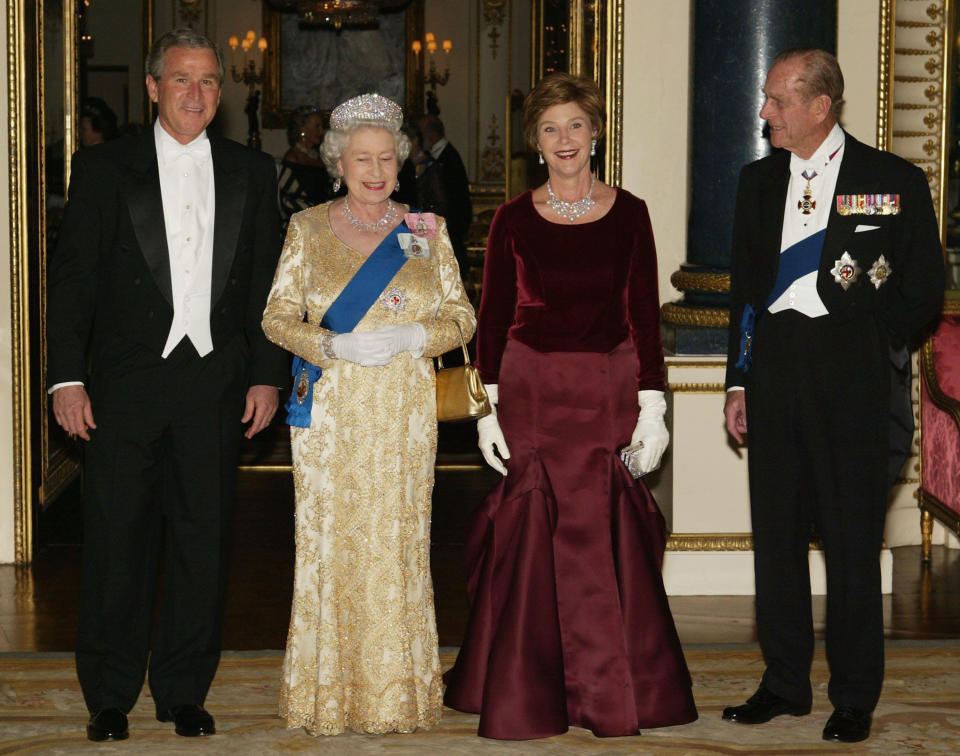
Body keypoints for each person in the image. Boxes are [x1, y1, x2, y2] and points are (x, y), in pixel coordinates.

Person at [47, 28, 286, 742]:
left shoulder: (252, 169)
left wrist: (269, 377)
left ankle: (184, 689)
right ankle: (110, 694)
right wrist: (67, 378)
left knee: (202, 541)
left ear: (222, 91)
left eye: (209, 81)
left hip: (216, 385)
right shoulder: (101, 167)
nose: (195, 93)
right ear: (153, 87)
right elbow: (72, 286)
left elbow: (267, 291)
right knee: (117, 540)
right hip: (121, 388)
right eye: (181, 79)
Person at [442, 72, 698, 740]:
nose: (564, 140)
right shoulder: (512, 219)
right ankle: (530, 691)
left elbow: (643, 313)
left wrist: (654, 410)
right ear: (535, 141)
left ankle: (612, 691)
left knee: (601, 542)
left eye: (576, 126)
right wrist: (486, 410)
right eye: (551, 128)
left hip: (607, 395)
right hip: (530, 399)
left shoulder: (632, 212)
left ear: (595, 135)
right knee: (530, 542)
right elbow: (492, 319)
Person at [721, 49, 944, 744]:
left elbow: (923, 288)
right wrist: (738, 378)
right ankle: (784, 682)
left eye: (777, 101)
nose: (765, 113)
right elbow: (745, 295)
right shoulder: (757, 183)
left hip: (853, 384)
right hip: (776, 378)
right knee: (777, 541)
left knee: (852, 546)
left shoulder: (893, 179)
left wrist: (873, 348)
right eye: (766, 99)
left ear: (820, 107)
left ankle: (853, 695)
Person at [262, 93, 476, 736]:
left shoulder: (423, 230)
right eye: (363, 158)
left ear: (402, 161)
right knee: (332, 545)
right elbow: (275, 318)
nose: (377, 170)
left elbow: (461, 316)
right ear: (338, 162)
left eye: (387, 157)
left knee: (398, 544)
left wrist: (416, 338)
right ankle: (326, 693)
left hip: (403, 410)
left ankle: (395, 693)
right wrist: (330, 343)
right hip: (330, 414)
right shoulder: (306, 229)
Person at [417, 114, 472, 271]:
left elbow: (453, 202)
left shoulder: (448, 159)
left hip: (449, 236)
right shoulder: (441, 156)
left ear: (431, 134)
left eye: (421, 134)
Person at [278, 105, 333, 232]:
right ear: (302, 129)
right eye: (317, 126)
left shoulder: (318, 156)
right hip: (301, 229)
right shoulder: (292, 159)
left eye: (322, 126)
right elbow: (288, 201)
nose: (322, 131)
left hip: (323, 224)